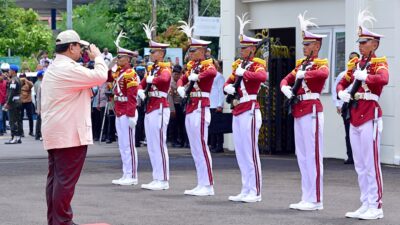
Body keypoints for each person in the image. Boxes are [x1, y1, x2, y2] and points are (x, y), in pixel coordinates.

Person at [41, 30, 108, 225]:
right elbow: (100, 75)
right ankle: (62, 221)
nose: (83, 51)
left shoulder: (56, 66)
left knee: (56, 180)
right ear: (71, 47)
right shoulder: (68, 68)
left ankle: (56, 220)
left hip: (59, 133)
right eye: (80, 47)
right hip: (69, 134)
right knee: (64, 182)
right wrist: (98, 57)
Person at [337, 10, 388, 220]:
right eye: (359, 41)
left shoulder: (379, 63)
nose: (360, 45)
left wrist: (366, 75)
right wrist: (341, 91)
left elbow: (383, 79)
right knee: (359, 164)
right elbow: (343, 81)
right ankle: (365, 202)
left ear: (374, 44)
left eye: (364, 41)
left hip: (370, 115)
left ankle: (376, 206)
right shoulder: (356, 64)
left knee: (371, 163)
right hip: (356, 115)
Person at [280, 12, 329, 211]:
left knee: (313, 156)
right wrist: (284, 87)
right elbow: (286, 79)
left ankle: (316, 199)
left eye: (308, 45)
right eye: (304, 45)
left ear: (317, 46)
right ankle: (306, 196)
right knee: (302, 156)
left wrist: (305, 74)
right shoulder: (301, 64)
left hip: (312, 110)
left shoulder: (320, 63)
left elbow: (323, 74)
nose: (304, 48)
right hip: (299, 110)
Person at [224, 13, 268, 203]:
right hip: (238, 109)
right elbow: (230, 81)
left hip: (250, 108)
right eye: (240, 48)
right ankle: (245, 187)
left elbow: (262, 77)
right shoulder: (238, 65)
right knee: (241, 151)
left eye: (244, 48)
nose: (241, 50)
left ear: (252, 49)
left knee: (250, 151)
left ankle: (255, 190)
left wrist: (246, 74)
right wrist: (228, 86)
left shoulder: (257, 65)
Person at [177, 21, 217, 196]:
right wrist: (180, 85)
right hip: (191, 106)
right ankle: (201, 182)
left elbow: (212, 73)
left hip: (201, 106)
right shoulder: (192, 66)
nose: (190, 53)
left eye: (193, 50)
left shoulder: (208, 64)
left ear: (202, 51)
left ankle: (208, 184)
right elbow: (182, 79)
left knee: (201, 145)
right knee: (194, 148)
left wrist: (197, 76)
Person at [138, 23, 171, 191]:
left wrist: (153, 80)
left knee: (159, 143)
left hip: (160, 108)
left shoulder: (165, 67)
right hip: (150, 107)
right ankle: (156, 176)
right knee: (151, 144)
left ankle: (163, 179)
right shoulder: (151, 69)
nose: (150, 54)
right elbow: (140, 84)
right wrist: (141, 92)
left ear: (161, 53)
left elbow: (165, 80)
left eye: (153, 51)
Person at [109, 31, 140, 186]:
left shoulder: (130, 74)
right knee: (122, 144)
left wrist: (132, 114)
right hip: (119, 109)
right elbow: (108, 79)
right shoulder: (119, 72)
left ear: (127, 58)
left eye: (120, 57)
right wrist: (110, 67)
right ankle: (125, 173)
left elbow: (132, 95)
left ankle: (132, 175)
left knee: (129, 144)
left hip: (127, 110)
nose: (118, 59)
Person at [332, 52, 360, 164]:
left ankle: (359, 157)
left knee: (360, 131)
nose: (352, 61)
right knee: (349, 132)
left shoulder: (361, 74)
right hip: (347, 105)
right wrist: (337, 104)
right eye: (350, 59)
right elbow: (336, 88)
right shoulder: (344, 74)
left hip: (359, 104)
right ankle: (351, 157)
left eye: (354, 59)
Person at [168, 64, 187, 148]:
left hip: (182, 105)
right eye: (175, 74)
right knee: (174, 124)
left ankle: (183, 140)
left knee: (182, 124)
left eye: (179, 74)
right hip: (174, 105)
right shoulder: (171, 83)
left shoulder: (182, 81)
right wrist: (172, 110)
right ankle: (174, 141)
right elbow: (170, 97)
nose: (177, 76)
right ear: (172, 74)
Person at [4, 65, 23, 144]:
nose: (9, 72)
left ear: (14, 71)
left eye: (10, 70)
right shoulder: (17, 79)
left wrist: (7, 103)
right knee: (18, 120)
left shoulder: (13, 80)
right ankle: (18, 137)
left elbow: (11, 93)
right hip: (18, 102)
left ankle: (14, 138)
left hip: (13, 103)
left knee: (12, 120)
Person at [209, 60, 225, 153]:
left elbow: (221, 91)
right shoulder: (210, 76)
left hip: (216, 104)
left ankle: (219, 145)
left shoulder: (219, 76)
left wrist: (220, 104)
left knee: (218, 127)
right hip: (210, 104)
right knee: (212, 126)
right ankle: (213, 144)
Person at [34, 70, 44, 140]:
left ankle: (37, 134)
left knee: (39, 119)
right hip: (41, 103)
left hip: (38, 102)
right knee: (40, 120)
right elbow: (39, 96)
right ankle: (39, 134)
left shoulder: (36, 83)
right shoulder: (40, 84)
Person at [0, 70, 7, 136]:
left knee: (4, 116)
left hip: (5, 102)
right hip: (0, 102)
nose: (1, 77)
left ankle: (3, 129)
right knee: (1, 117)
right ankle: (1, 130)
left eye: (1, 75)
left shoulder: (5, 82)